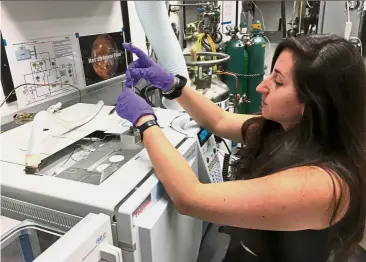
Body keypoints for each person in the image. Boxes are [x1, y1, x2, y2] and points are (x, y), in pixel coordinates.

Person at [116, 35, 366, 262]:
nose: (261, 86)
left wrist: (145, 122)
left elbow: (190, 198)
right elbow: (218, 121)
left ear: (313, 103)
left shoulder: (324, 185)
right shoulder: (287, 128)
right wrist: (171, 85)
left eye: (278, 81)